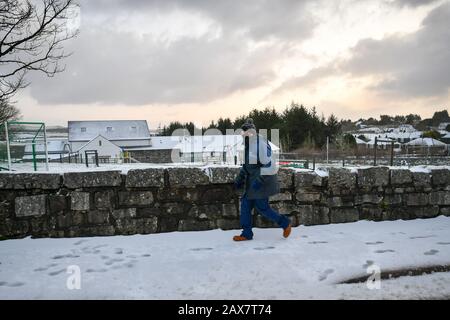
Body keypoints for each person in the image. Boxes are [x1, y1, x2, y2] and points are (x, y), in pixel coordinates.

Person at [233, 118, 291, 241]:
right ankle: (246, 233)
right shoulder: (249, 145)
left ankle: (285, 223)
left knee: (263, 208)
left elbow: (269, 165)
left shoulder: (260, 144)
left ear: (252, 132)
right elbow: (247, 166)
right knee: (245, 206)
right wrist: (240, 179)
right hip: (251, 183)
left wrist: (259, 181)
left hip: (261, 183)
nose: (244, 134)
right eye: (243, 132)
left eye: (246, 132)